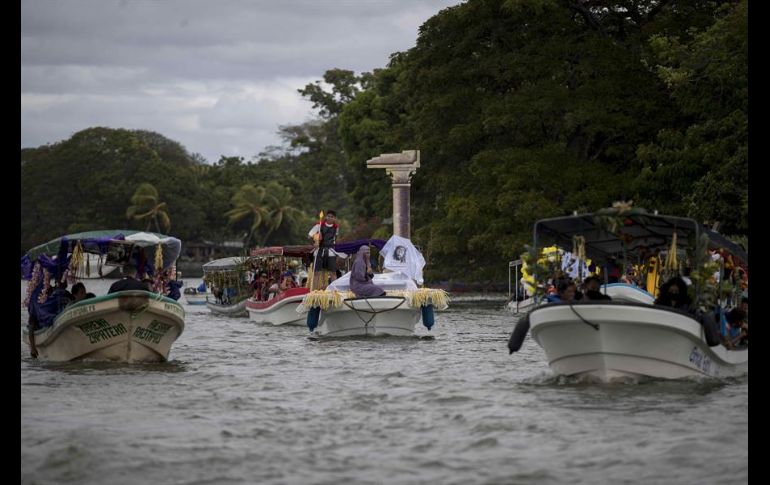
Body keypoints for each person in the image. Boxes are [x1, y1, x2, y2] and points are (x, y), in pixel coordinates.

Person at [308, 210, 340, 289]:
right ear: (326, 217)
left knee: (333, 272)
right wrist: (315, 240)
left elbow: (335, 240)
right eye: (328, 216)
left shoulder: (336, 228)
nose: (330, 218)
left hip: (331, 251)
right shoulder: (319, 226)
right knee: (316, 273)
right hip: (319, 251)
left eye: (332, 217)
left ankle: (334, 291)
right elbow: (309, 236)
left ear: (334, 218)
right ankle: (314, 291)